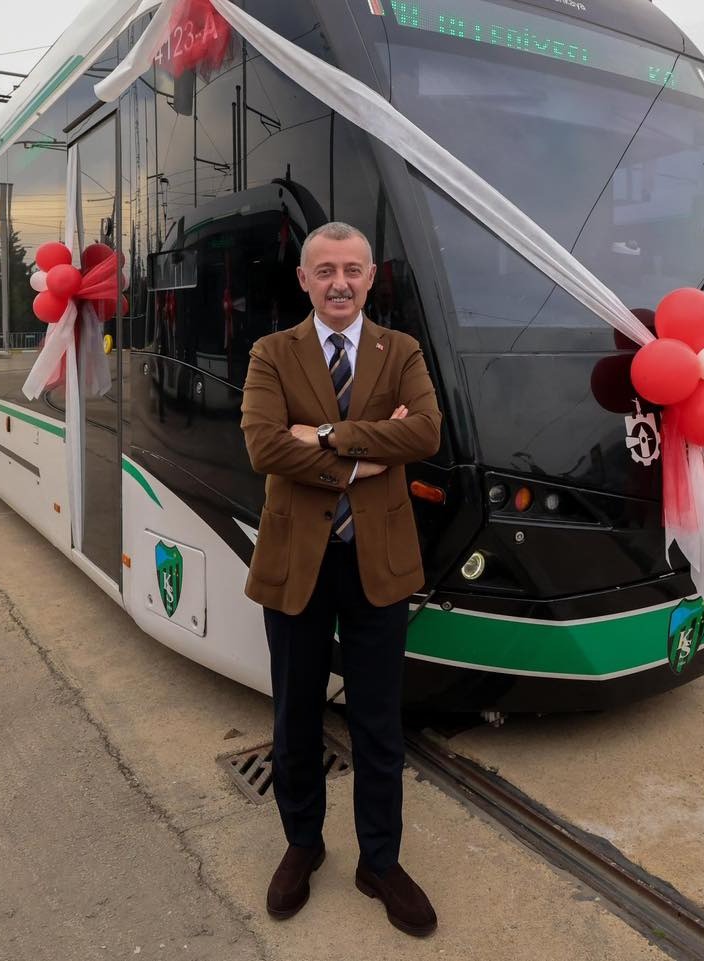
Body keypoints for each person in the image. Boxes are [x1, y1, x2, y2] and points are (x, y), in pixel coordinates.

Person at [240, 222, 442, 937]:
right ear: (303, 279)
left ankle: (379, 862)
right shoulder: (271, 352)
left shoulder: (402, 350)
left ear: (370, 275)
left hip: (376, 564)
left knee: (379, 723)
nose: (339, 282)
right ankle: (303, 842)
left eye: (351, 269)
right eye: (324, 269)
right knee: (295, 715)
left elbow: (424, 433)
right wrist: (366, 456)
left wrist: (324, 438)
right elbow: (264, 444)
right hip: (298, 563)